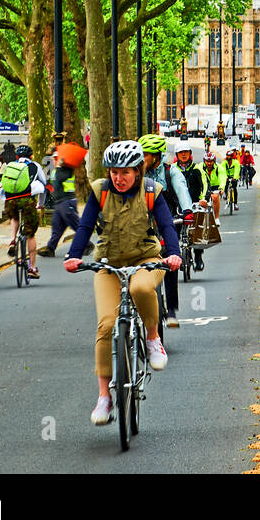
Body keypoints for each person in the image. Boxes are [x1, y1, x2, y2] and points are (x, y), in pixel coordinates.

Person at [63, 140, 180, 426]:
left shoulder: (152, 192)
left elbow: (166, 225)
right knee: (105, 324)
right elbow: (85, 226)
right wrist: (74, 255)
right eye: (114, 172)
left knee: (140, 288)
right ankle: (105, 396)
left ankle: (153, 338)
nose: (119, 178)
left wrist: (174, 254)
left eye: (126, 172)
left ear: (138, 171)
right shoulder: (100, 191)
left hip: (146, 260)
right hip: (109, 264)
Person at [141, 134, 193, 328]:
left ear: (156, 156)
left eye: (146, 155)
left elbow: (181, 190)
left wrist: (187, 210)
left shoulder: (172, 172)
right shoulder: (138, 173)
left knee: (170, 261)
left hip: (169, 221)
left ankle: (171, 310)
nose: (143, 158)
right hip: (144, 224)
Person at [2, 144, 48, 278]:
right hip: (28, 201)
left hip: (11, 200)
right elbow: (44, 184)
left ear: (17, 156)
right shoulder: (35, 166)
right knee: (30, 234)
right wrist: (40, 204)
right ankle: (32, 268)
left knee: (14, 218)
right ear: (31, 156)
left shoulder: (11, 165)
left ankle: (12, 240)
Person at [40, 141, 87, 258]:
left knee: (76, 224)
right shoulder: (57, 170)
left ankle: (87, 244)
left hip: (67, 201)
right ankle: (50, 248)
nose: (53, 160)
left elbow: (60, 179)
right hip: (60, 202)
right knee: (57, 227)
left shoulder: (65, 170)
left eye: (55, 158)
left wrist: (61, 163)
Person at [173, 141, 210, 272]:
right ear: (177, 155)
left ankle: (198, 257)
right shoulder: (172, 169)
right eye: (181, 153)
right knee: (172, 231)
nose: (183, 155)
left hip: (195, 204)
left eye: (186, 152)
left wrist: (204, 199)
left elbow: (205, 184)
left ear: (190, 154)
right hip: (176, 205)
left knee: (198, 230)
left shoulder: (197, 168)